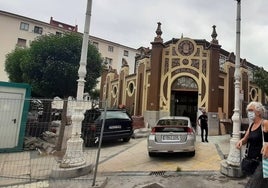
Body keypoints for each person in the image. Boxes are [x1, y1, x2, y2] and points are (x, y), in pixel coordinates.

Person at [236, 101, 268, 188]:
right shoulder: (251, 125)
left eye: (251, 110)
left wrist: (267, 145)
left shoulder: (265, 123)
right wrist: (241, 142)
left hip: (262, 162)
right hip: (251, 161)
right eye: (248, 111)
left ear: (258, 112)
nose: (249, 113)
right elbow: (245, 139)